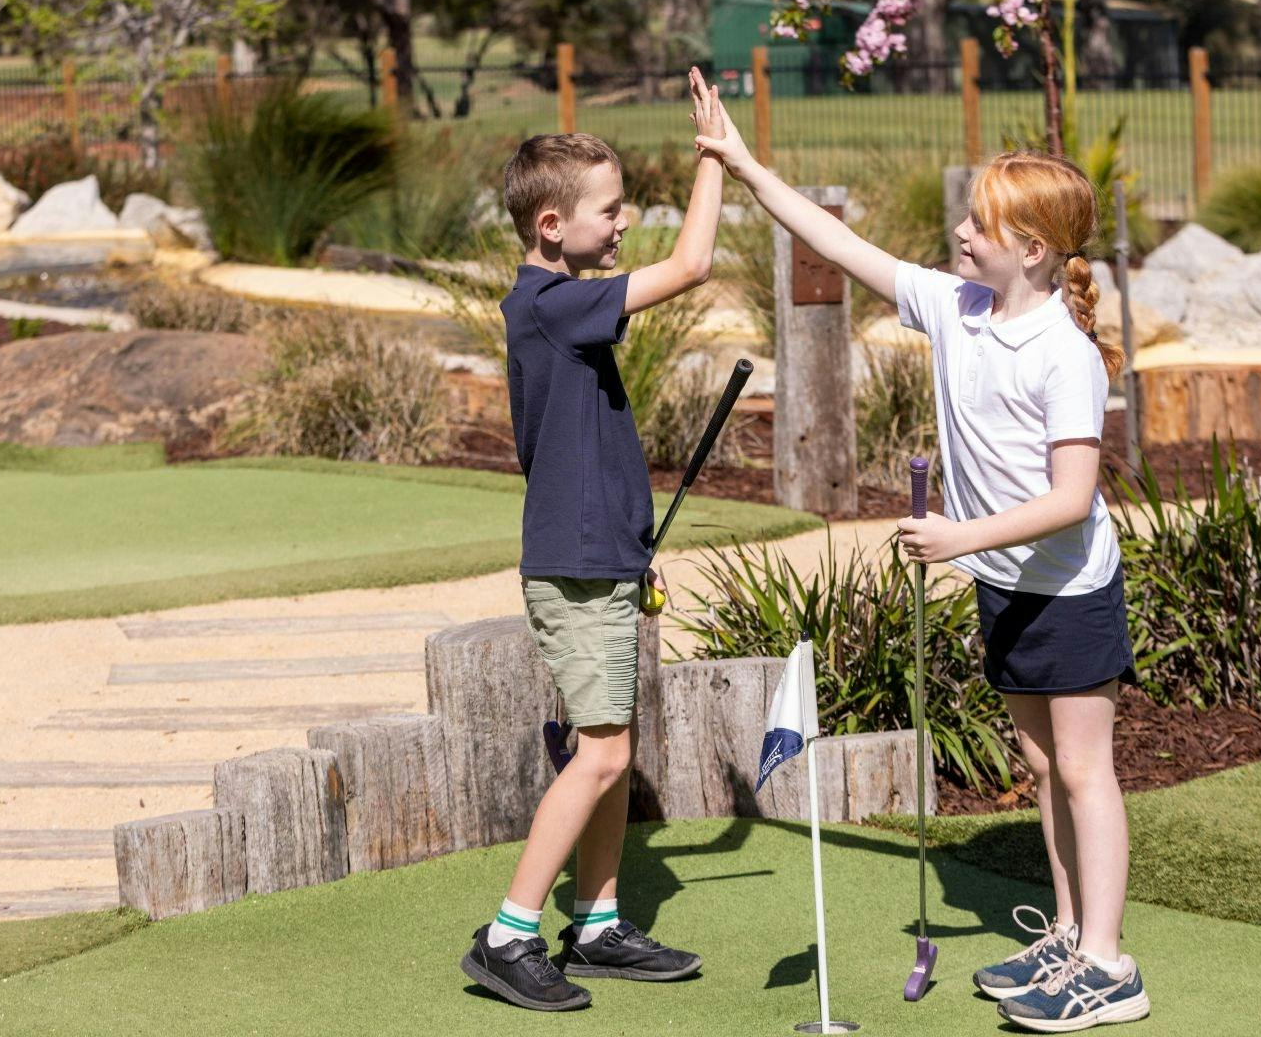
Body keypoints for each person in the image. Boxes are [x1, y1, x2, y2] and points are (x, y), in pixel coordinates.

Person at [693, 101, 1146, 1032]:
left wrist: (957, 538)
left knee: (1085, 770)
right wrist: (743, 163)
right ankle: (1066, 931)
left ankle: (1108, 964)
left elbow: (1071, 498)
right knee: (1038, 760)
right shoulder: (957, 304)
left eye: (978, 225)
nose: (959, 233)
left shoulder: (1066, 353)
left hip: (1067, 586)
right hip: (1006, 582)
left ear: (1030, 248)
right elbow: (834, 239)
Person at [460, 68, 724, 1012]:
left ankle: (601, 923)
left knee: (614, 748)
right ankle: (508, 935)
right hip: (573, 568)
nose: (622, 226)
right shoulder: (551, 304)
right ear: (549, 226)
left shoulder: (561, 303)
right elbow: (692, 267)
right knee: (604, 755)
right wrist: (715, 160)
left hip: (602, 559)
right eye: (608, 212)